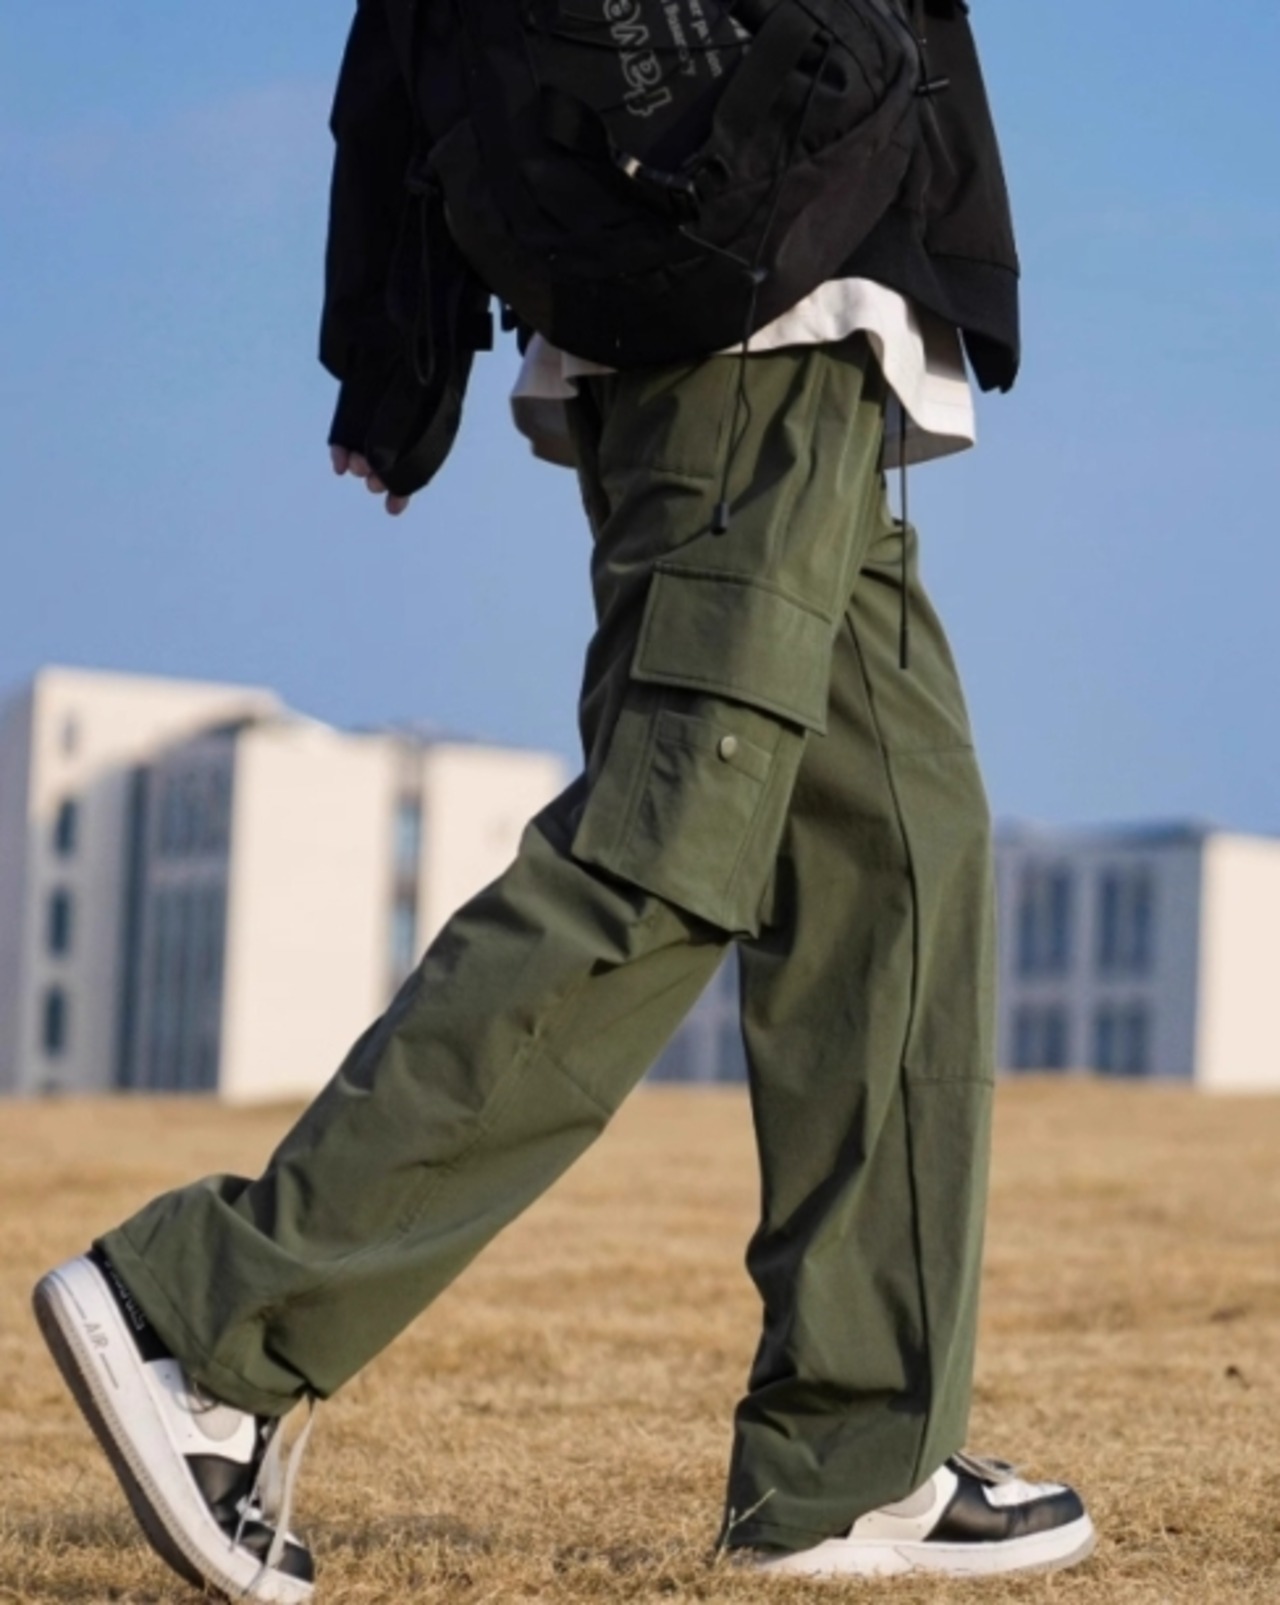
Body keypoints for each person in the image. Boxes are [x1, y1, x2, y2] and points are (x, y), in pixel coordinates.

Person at [34, 3, 1097, 1599]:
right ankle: (205, 1320)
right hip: (742, 309)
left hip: (815, 317)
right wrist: (388, 336)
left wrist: (389, 335)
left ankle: (854, 1461)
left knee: (900, 866)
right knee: (667, 848)